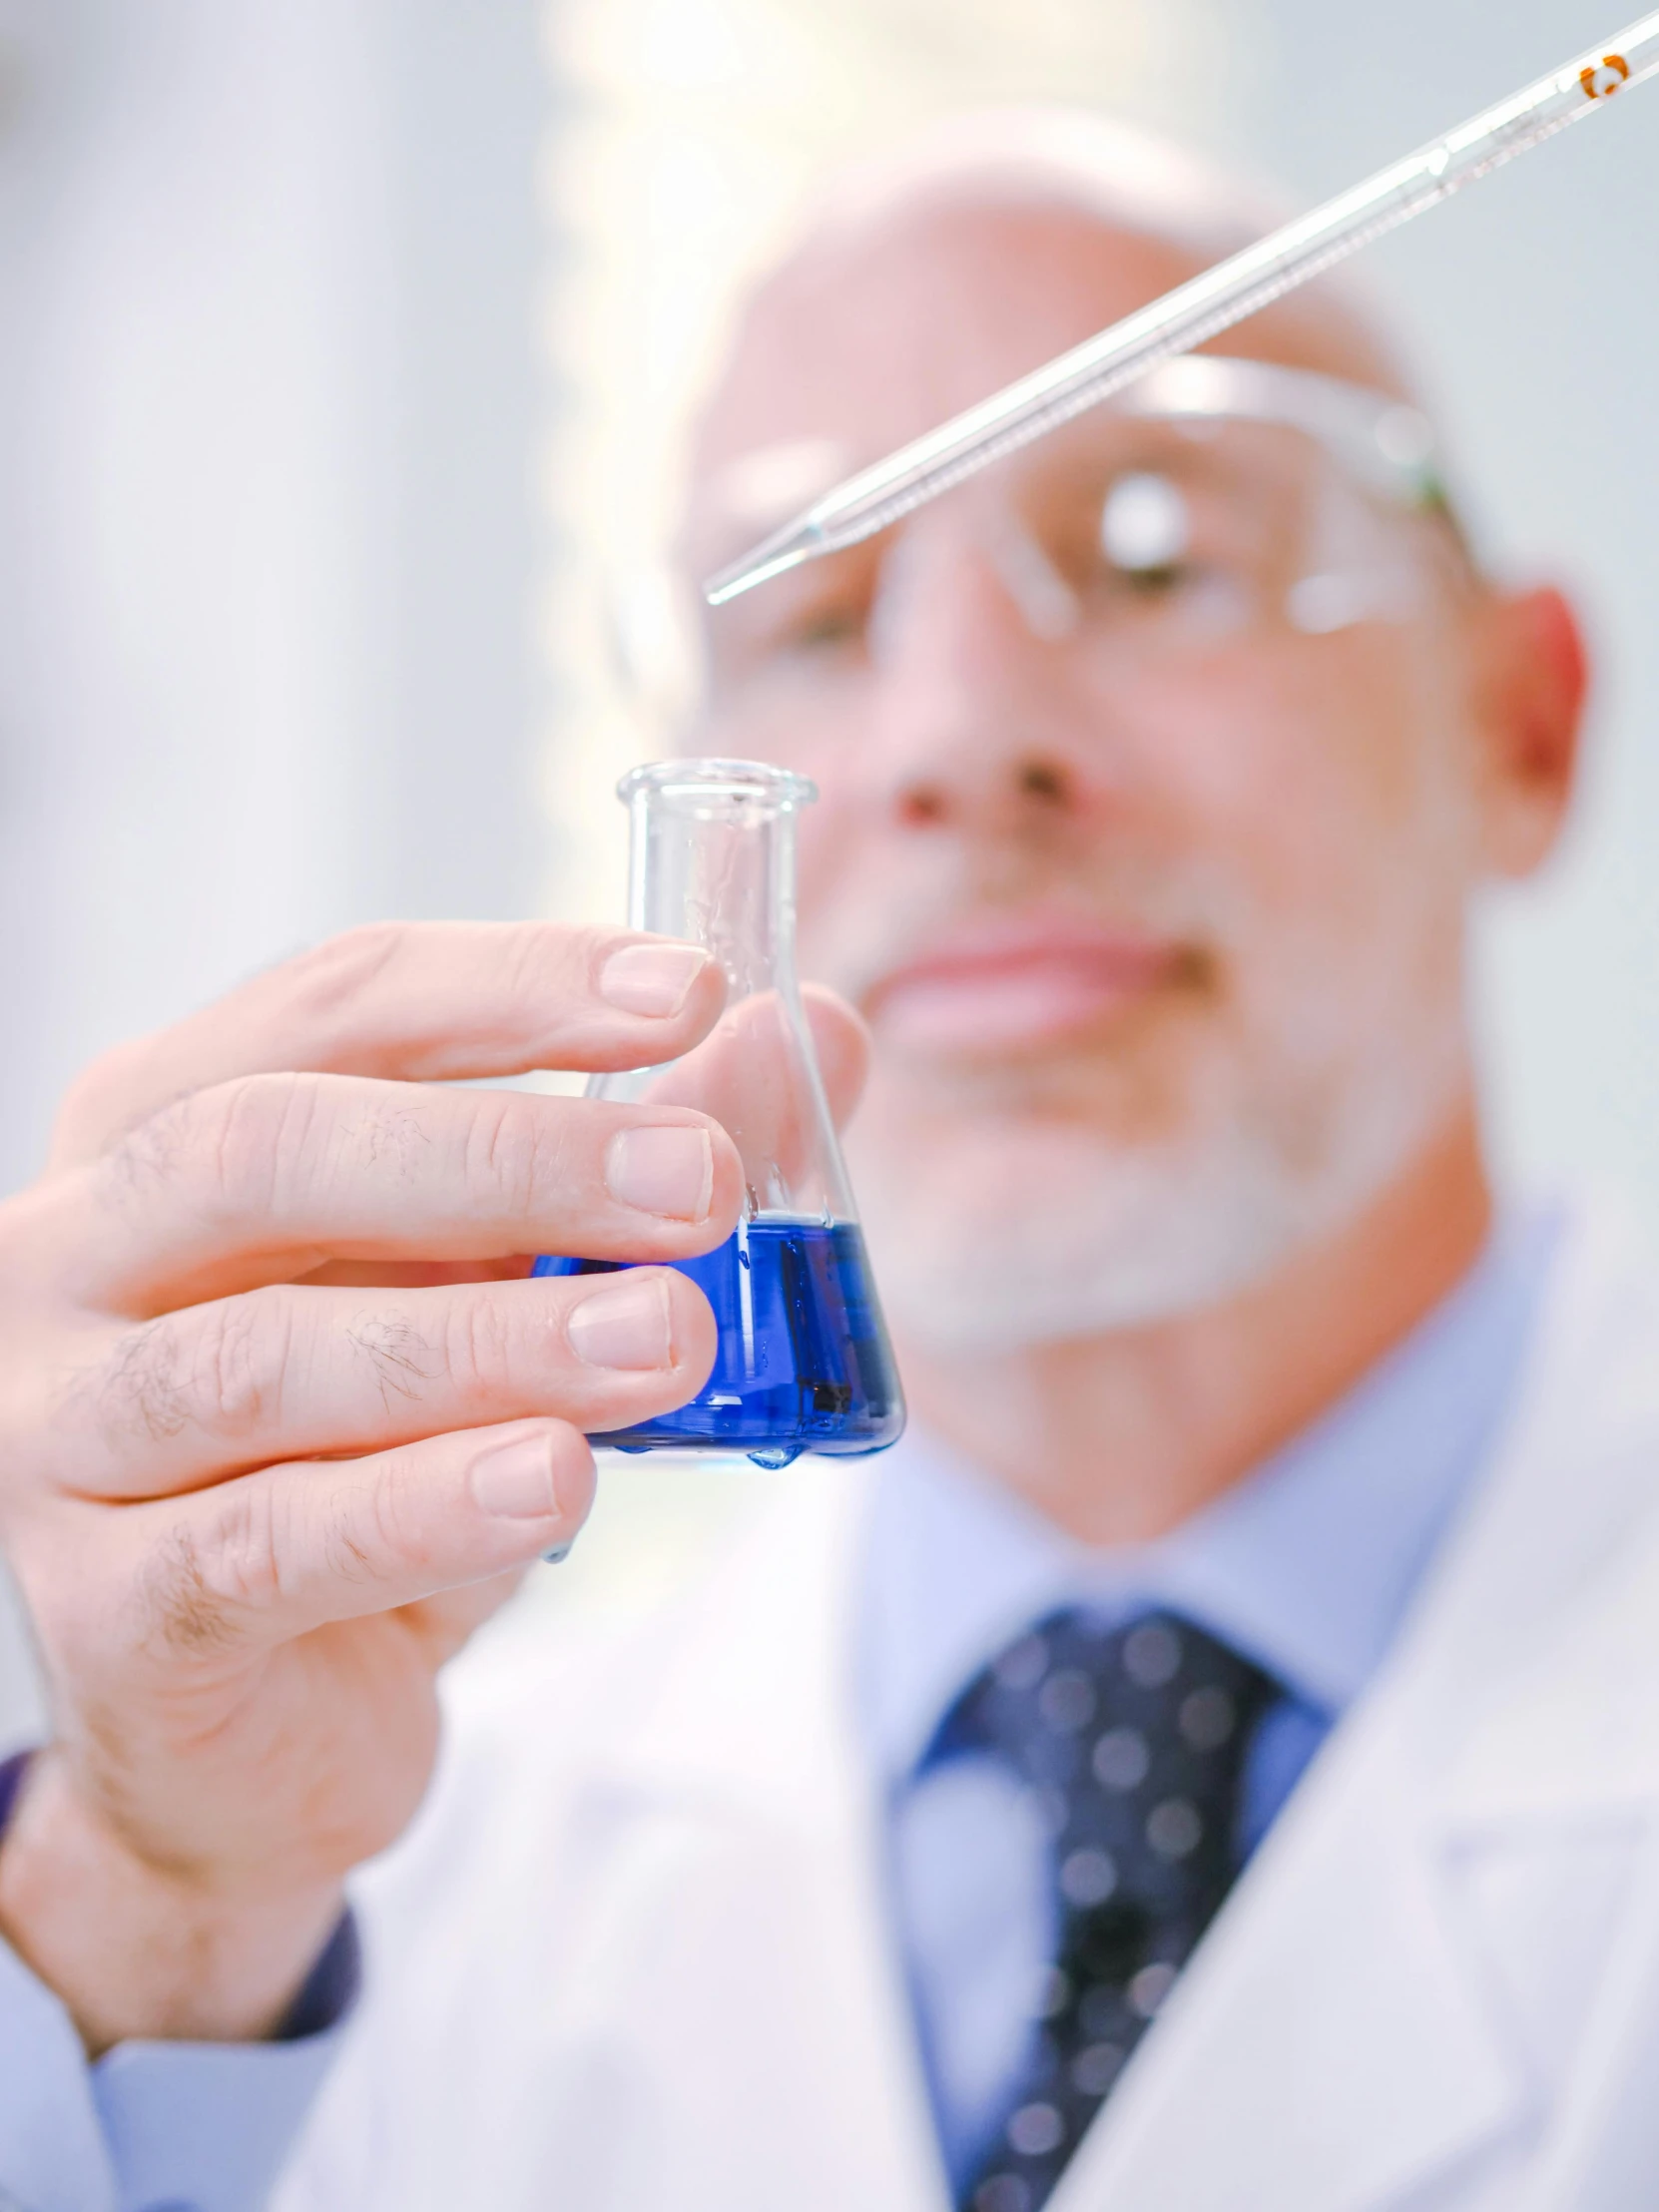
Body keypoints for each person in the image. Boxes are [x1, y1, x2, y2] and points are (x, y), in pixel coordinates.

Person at [2, 111, 1657, 2212]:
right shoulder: (383, 1892)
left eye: (1156, 550)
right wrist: (154, 1897)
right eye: (815, 612)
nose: (958, 731)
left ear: (1521, 724)